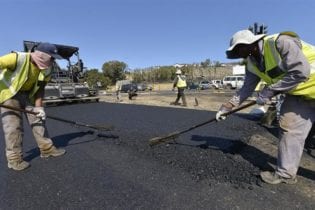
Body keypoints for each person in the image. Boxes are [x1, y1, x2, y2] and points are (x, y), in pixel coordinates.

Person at [216, 29, 315, 184]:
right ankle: (285, 174)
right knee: (289, 129)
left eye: (239, 48)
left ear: (251, 44)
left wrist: (269, 91)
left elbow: (301, 71)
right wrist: (227, 107)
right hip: (299, 95)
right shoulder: (252, 63)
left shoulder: (280, 42)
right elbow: (246, 89)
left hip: (309, 86)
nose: (238, 53)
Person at [0, 42, 66, 171]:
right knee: (13, 127)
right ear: (42, 55)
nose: (53, 61)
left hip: (30, 95)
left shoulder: (48, 68)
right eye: (52, 58)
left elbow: (40, 88)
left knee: (38, 121)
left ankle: (47, 149)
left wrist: (39, 107)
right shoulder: (17, 58)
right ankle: (14, 159)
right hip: (9, 94)